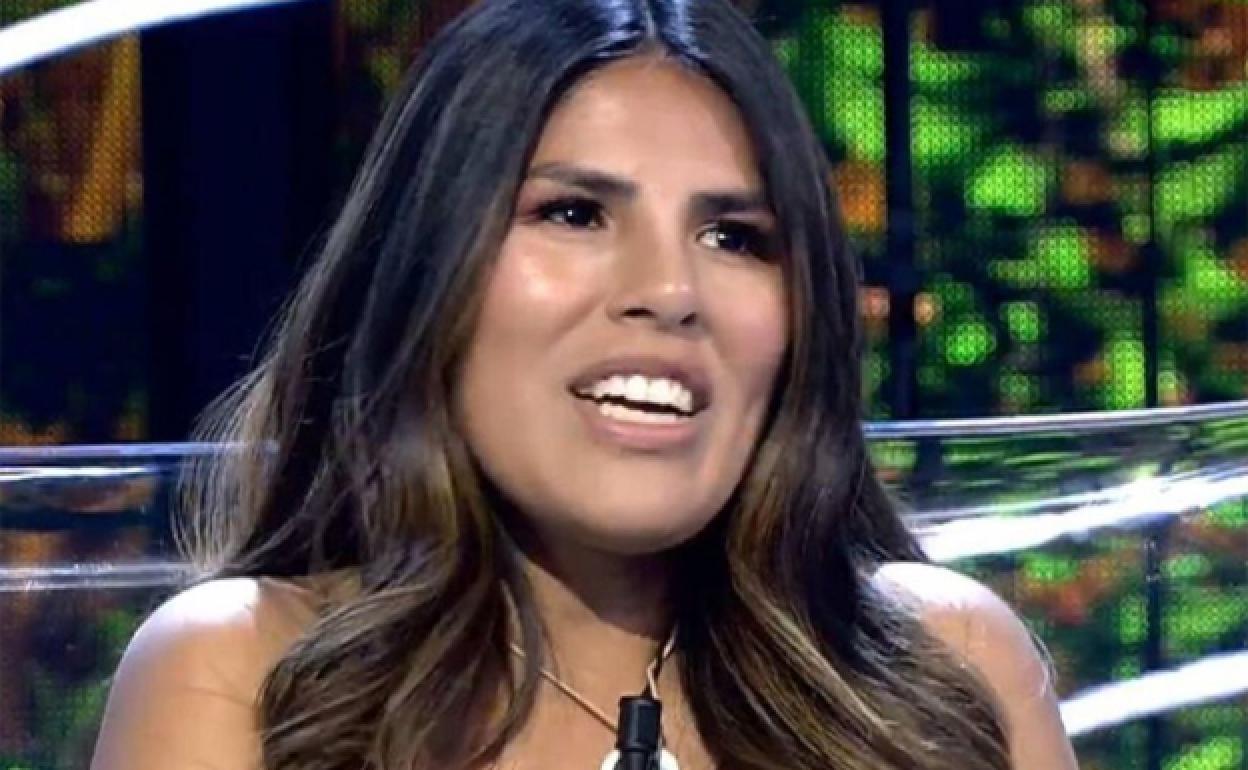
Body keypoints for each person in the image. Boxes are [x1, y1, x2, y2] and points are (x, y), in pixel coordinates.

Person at [90, 0, 1079, 768]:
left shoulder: (943, 671)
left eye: (734, 236)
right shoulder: (242, 678)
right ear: (429, 268)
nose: (670, 291)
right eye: (574, 214)